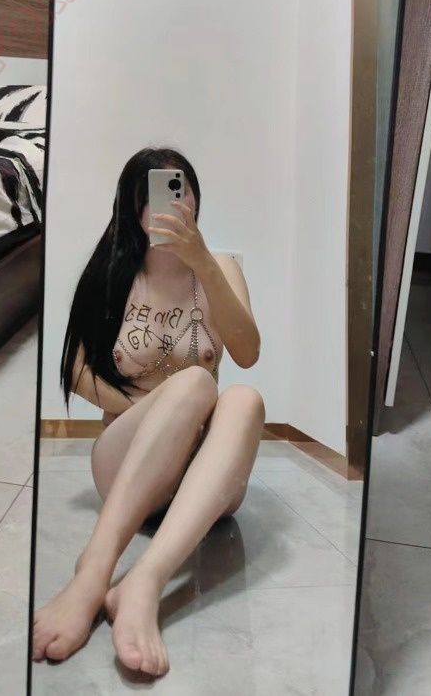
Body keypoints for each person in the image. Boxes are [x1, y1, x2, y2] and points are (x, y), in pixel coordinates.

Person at [32, 147, 264, 676]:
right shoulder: (114, 271)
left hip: (205, 482)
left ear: (195, 200)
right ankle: (95, 571)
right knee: (194, 384)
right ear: (131, 206)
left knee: (244, 398)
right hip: (126, 463)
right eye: (151, 196)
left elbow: (249, 353)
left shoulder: (222, 268)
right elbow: (76, 370)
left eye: (180, 191)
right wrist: (157, 412)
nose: (166, 206)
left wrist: (203, 263)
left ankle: (144, 581)